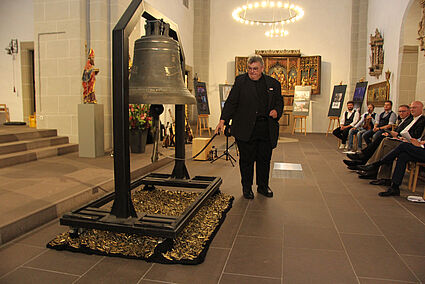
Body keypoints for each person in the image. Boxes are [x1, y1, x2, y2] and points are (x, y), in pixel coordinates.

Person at [215, 54, 283, 199]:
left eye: (255, 69)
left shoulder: (273, 84)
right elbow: (231, 102)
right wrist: (223, 120)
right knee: (246, 160)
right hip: (245, 128)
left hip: (265, 128)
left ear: (262, 68)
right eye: (250, 69)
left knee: (264, 160)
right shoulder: (240, 82)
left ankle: (263, 186)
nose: (252, 72)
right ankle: (247, 188)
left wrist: (277, 111)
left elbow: (279, 102)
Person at [355, 101, 425, 182]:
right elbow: (403, 131)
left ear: (421, 109)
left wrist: (400, 136)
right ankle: (377, 171)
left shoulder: (422, 120)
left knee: (386, 142)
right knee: (384, 140)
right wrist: (395, 135)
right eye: (411, 107)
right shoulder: (412, 119)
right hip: (404, 140)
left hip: (410, 143)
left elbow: (416, 135)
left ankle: (372, 165)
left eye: (414, 108)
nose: (412, 109)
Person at [343, 104, 413, 168]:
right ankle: (362, 159)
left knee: (378, 138)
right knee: (366, 135)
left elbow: (393, 127)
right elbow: (374, 122)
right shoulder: (399, 119)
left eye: (403, 111)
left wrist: (390, 133)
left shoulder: (402, 118)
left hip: (388, 132)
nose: (401, 113)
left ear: (408, 112)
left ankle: (364, 159)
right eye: (400, 111)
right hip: (384, 131)